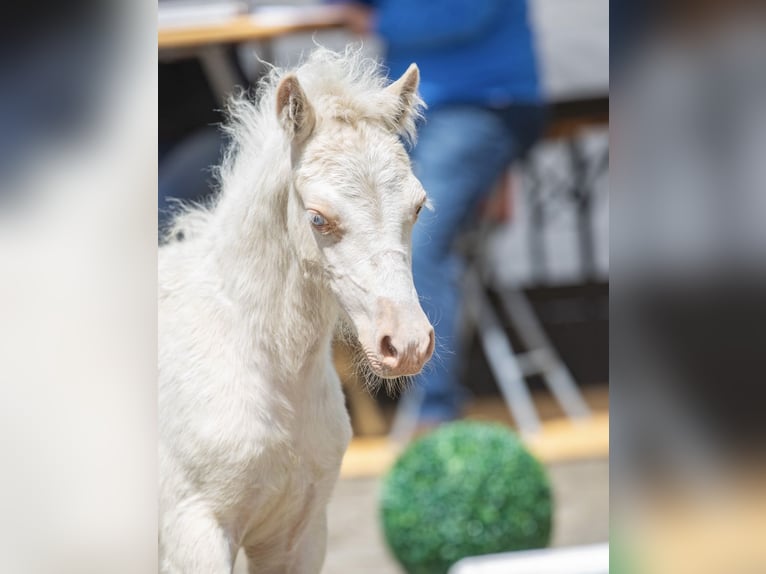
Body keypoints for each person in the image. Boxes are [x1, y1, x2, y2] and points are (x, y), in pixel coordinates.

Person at [338, 0, 546, 424]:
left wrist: (378, 20)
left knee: (423, 238)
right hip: (409, 110)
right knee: (336, 224)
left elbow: (463, 15)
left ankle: (436, 413)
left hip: (482, 104)